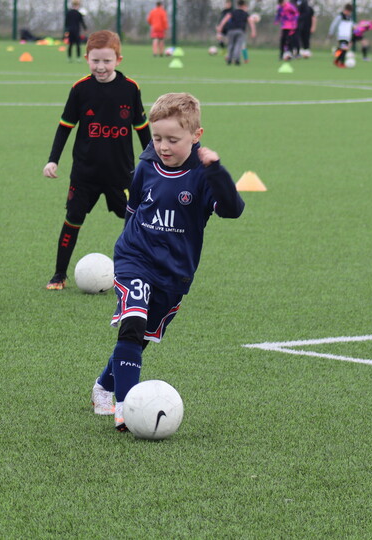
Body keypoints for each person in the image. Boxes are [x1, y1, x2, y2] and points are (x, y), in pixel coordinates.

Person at [89, 92, 245, 431]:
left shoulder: (203, 176)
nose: (162, 146)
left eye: (172, 139)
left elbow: (233, 210)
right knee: (132, 320)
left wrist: (217, 169)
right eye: (157, 138)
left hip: (173, 273)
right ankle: (126, 410)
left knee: (139, 339)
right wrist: (130, 251)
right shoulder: (146, 166)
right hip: (134, 257)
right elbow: (132, 213)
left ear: (196, 135)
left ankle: (104, 384)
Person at [42, 30, 151, 290]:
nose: (101, 67)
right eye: (95, 61)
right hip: (85, 174)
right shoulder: (80, 89)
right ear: (87, 58)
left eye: (107, 61)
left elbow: (142, 128)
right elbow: (64, 127)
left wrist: (153, 162)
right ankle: (59, 275)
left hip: (121, 174)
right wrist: (52, 160)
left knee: (136, 222)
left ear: (118, 60)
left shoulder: (130, 89)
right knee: (73, 219)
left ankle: (141, 272)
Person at [216, 0, 256, 66]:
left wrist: (220, 27)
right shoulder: (245, 13)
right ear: (243, 6)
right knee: (238, 45)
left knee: (231, 45)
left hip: (231, 31)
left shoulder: (232, 12)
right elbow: (251, 22)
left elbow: (225, 19)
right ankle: (237, 59)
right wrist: (253, 31)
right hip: (240, 31)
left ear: (238, 5)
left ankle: (229, 59)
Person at [328, 3, 354, 68]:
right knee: (344, 48)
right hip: (341, 36)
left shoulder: (350, 18)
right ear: (346, 10)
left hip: (347, 37)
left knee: (344, 49)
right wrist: (331, 33)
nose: (349, 13)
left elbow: (352, 26)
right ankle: (341, 63)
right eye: (349, 11)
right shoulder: (340, 17)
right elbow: (334, 25)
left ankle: (336, 58)